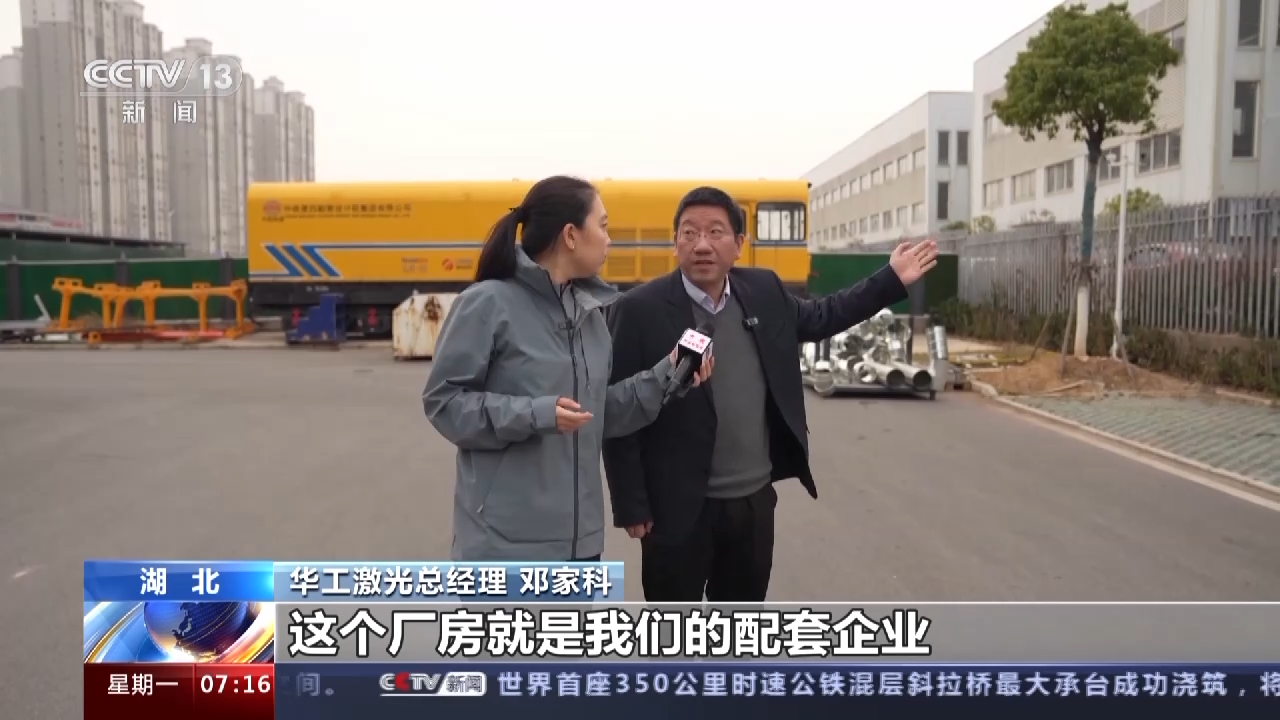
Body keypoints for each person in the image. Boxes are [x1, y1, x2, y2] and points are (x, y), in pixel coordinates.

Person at [602, 186, 937, 601]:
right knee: (673, 630)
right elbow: (617, 411)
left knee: (742, 627)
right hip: (675, 509)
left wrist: (890, 280)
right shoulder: (638, 309)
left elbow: (824, 316)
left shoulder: (764, 291)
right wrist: (631, 504)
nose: (702, 244)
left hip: (753, 504)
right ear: (675, 243)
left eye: (715, 232)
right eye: (689, 233)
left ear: (739, 244)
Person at [422, 176, 713, 563]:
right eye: (603, 226)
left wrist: (667, 374)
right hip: (505, 546)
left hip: (581, 545)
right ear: (571, 235)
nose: (609, 239)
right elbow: (445, 403)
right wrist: (536, 414)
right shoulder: (486, 304)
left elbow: (597, 413)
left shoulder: (590, 315)